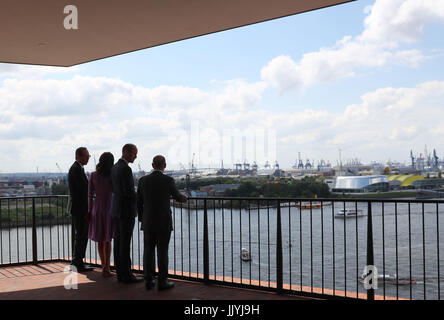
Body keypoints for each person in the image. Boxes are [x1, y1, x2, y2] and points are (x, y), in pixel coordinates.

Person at [137, 155, 187, 290]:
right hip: (164, 221)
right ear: (164, 166)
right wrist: (185, 198)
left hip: (148, 221)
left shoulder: (143, 180)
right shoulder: (168, 180)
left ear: (153, 165)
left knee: (148, 250)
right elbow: (177, 197)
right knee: (162, 251)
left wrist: (142, 218)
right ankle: (162, 282)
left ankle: (148, 280)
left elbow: (139, 202)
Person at [111, 144, 143, 283]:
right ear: (126, 152)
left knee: (118, 242)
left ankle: (120, 273)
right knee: (125, 244)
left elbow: (115, 189)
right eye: (134, 153)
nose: (135, 156)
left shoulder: (115, 167)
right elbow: (129, 191)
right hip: (126, 211)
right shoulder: (126, 169)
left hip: (116, 209)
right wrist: (140, 198)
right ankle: (127, 275)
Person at [87, 152, 115, 277]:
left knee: (99, 238)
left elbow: (89, 195)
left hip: (97, 208)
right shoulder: (112, 175)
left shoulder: (93, 175)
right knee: (107, 239)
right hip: (109, 207)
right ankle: (107, 268)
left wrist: (89, 210)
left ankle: (104, 265)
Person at [68, 147, 93, 272]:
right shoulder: (76, 169)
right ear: (79, 156)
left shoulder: (77, 168)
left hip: (79, 208)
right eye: (86, 156)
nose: (88, 158)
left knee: (81, 235)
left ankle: (77, 261)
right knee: (82, 235)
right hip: (81, 209)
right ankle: (78, 262)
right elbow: (82, 190)